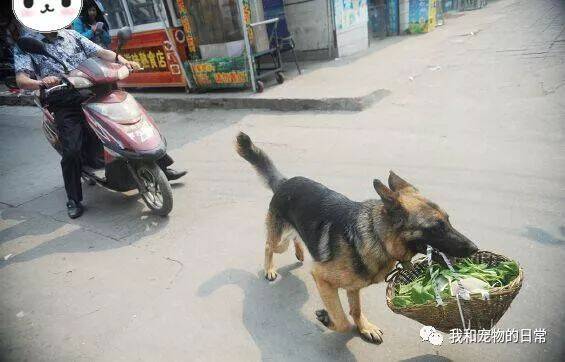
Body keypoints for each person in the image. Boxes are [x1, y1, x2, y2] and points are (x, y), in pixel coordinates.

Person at [13, 29, 186, 219]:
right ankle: (73, 199)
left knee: (130, 122)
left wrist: (123, 61)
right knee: (72, 149)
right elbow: (21, 79)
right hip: (64, 99)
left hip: (96, 88)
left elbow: (101, 52)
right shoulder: (27, 44)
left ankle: (163, 166)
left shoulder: (72, 35)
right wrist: (41, 82)